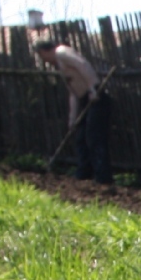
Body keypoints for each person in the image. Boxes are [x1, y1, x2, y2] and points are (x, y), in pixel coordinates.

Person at [35, 38, 113, 185]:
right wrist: (72, 118)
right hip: (84, 99)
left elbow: (84, 66)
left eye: (41, 56)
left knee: (94, 137)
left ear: (45, 51)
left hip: (96, 96)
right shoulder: (59, 64)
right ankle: (84, 175)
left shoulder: (62, 52)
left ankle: (103, 178)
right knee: (81, 138)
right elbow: (73, 92)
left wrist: (92, 89)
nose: (43, 60)